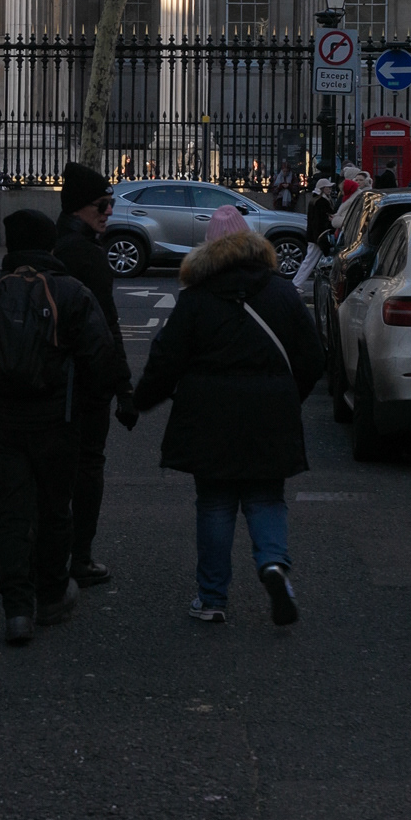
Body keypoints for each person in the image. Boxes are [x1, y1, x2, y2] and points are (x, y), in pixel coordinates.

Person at [124, 208, 323, 629]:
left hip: (208, 413)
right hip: (271, 411)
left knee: (214, 503)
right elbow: (312, 357)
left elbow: (166, 360)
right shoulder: (281, 292)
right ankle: (272, 565)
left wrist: (138, 402)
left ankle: (212, 598)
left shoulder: (196, 297)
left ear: (208, 249)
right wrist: (289, 396)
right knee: (266, 497)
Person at [0, 207, 125, 643]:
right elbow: (101, 360)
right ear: (48, 245)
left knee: (11, 511)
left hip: (5, 423)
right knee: (54, 508)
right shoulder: (71, 293)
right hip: (57, 422)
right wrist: (87, 406)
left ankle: (16, 610)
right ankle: (50, 596)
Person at [52, 161, 127, 587]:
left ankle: (46, 553)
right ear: (82, 207)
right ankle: (80, 557)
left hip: (46, 380)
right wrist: (124, 387)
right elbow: (108, 325)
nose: (109, 212)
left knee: (50, 469)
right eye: (103, 204)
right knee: (88, 466)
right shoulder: (88, 255)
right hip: (85, 382)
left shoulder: (51, 243)